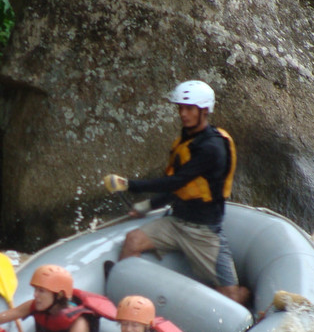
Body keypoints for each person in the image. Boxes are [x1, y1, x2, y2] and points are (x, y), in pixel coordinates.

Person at [103, 79, 250, 306]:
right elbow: (182, 189)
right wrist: (149, 206)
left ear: (204, 111)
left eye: (189, 109)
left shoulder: (212, 148)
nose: (183, 114)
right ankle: (123, 301)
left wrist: (130, 185)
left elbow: (176, 182)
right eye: (180, 108)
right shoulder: (185, 140)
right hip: (175, 223)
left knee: (232, 298)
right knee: (132, 241)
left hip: (204, 233)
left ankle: (246, 294)